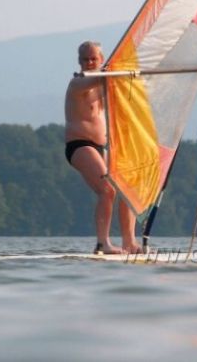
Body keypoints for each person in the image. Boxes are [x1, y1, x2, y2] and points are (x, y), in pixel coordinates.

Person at [65, 41, 141, 254]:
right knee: (107, 190)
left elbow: (120, 89)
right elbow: (103, 78)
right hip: (80, 145)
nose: (89, 63)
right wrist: (119, 71)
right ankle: (103, 243)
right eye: (85, 59)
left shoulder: (105, 84)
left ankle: (129, 242)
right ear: (79, 61)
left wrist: (133, 76)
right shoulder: (78, 83)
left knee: (127, 189)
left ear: (101, 60)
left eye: (93, 59)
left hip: (102, 147)